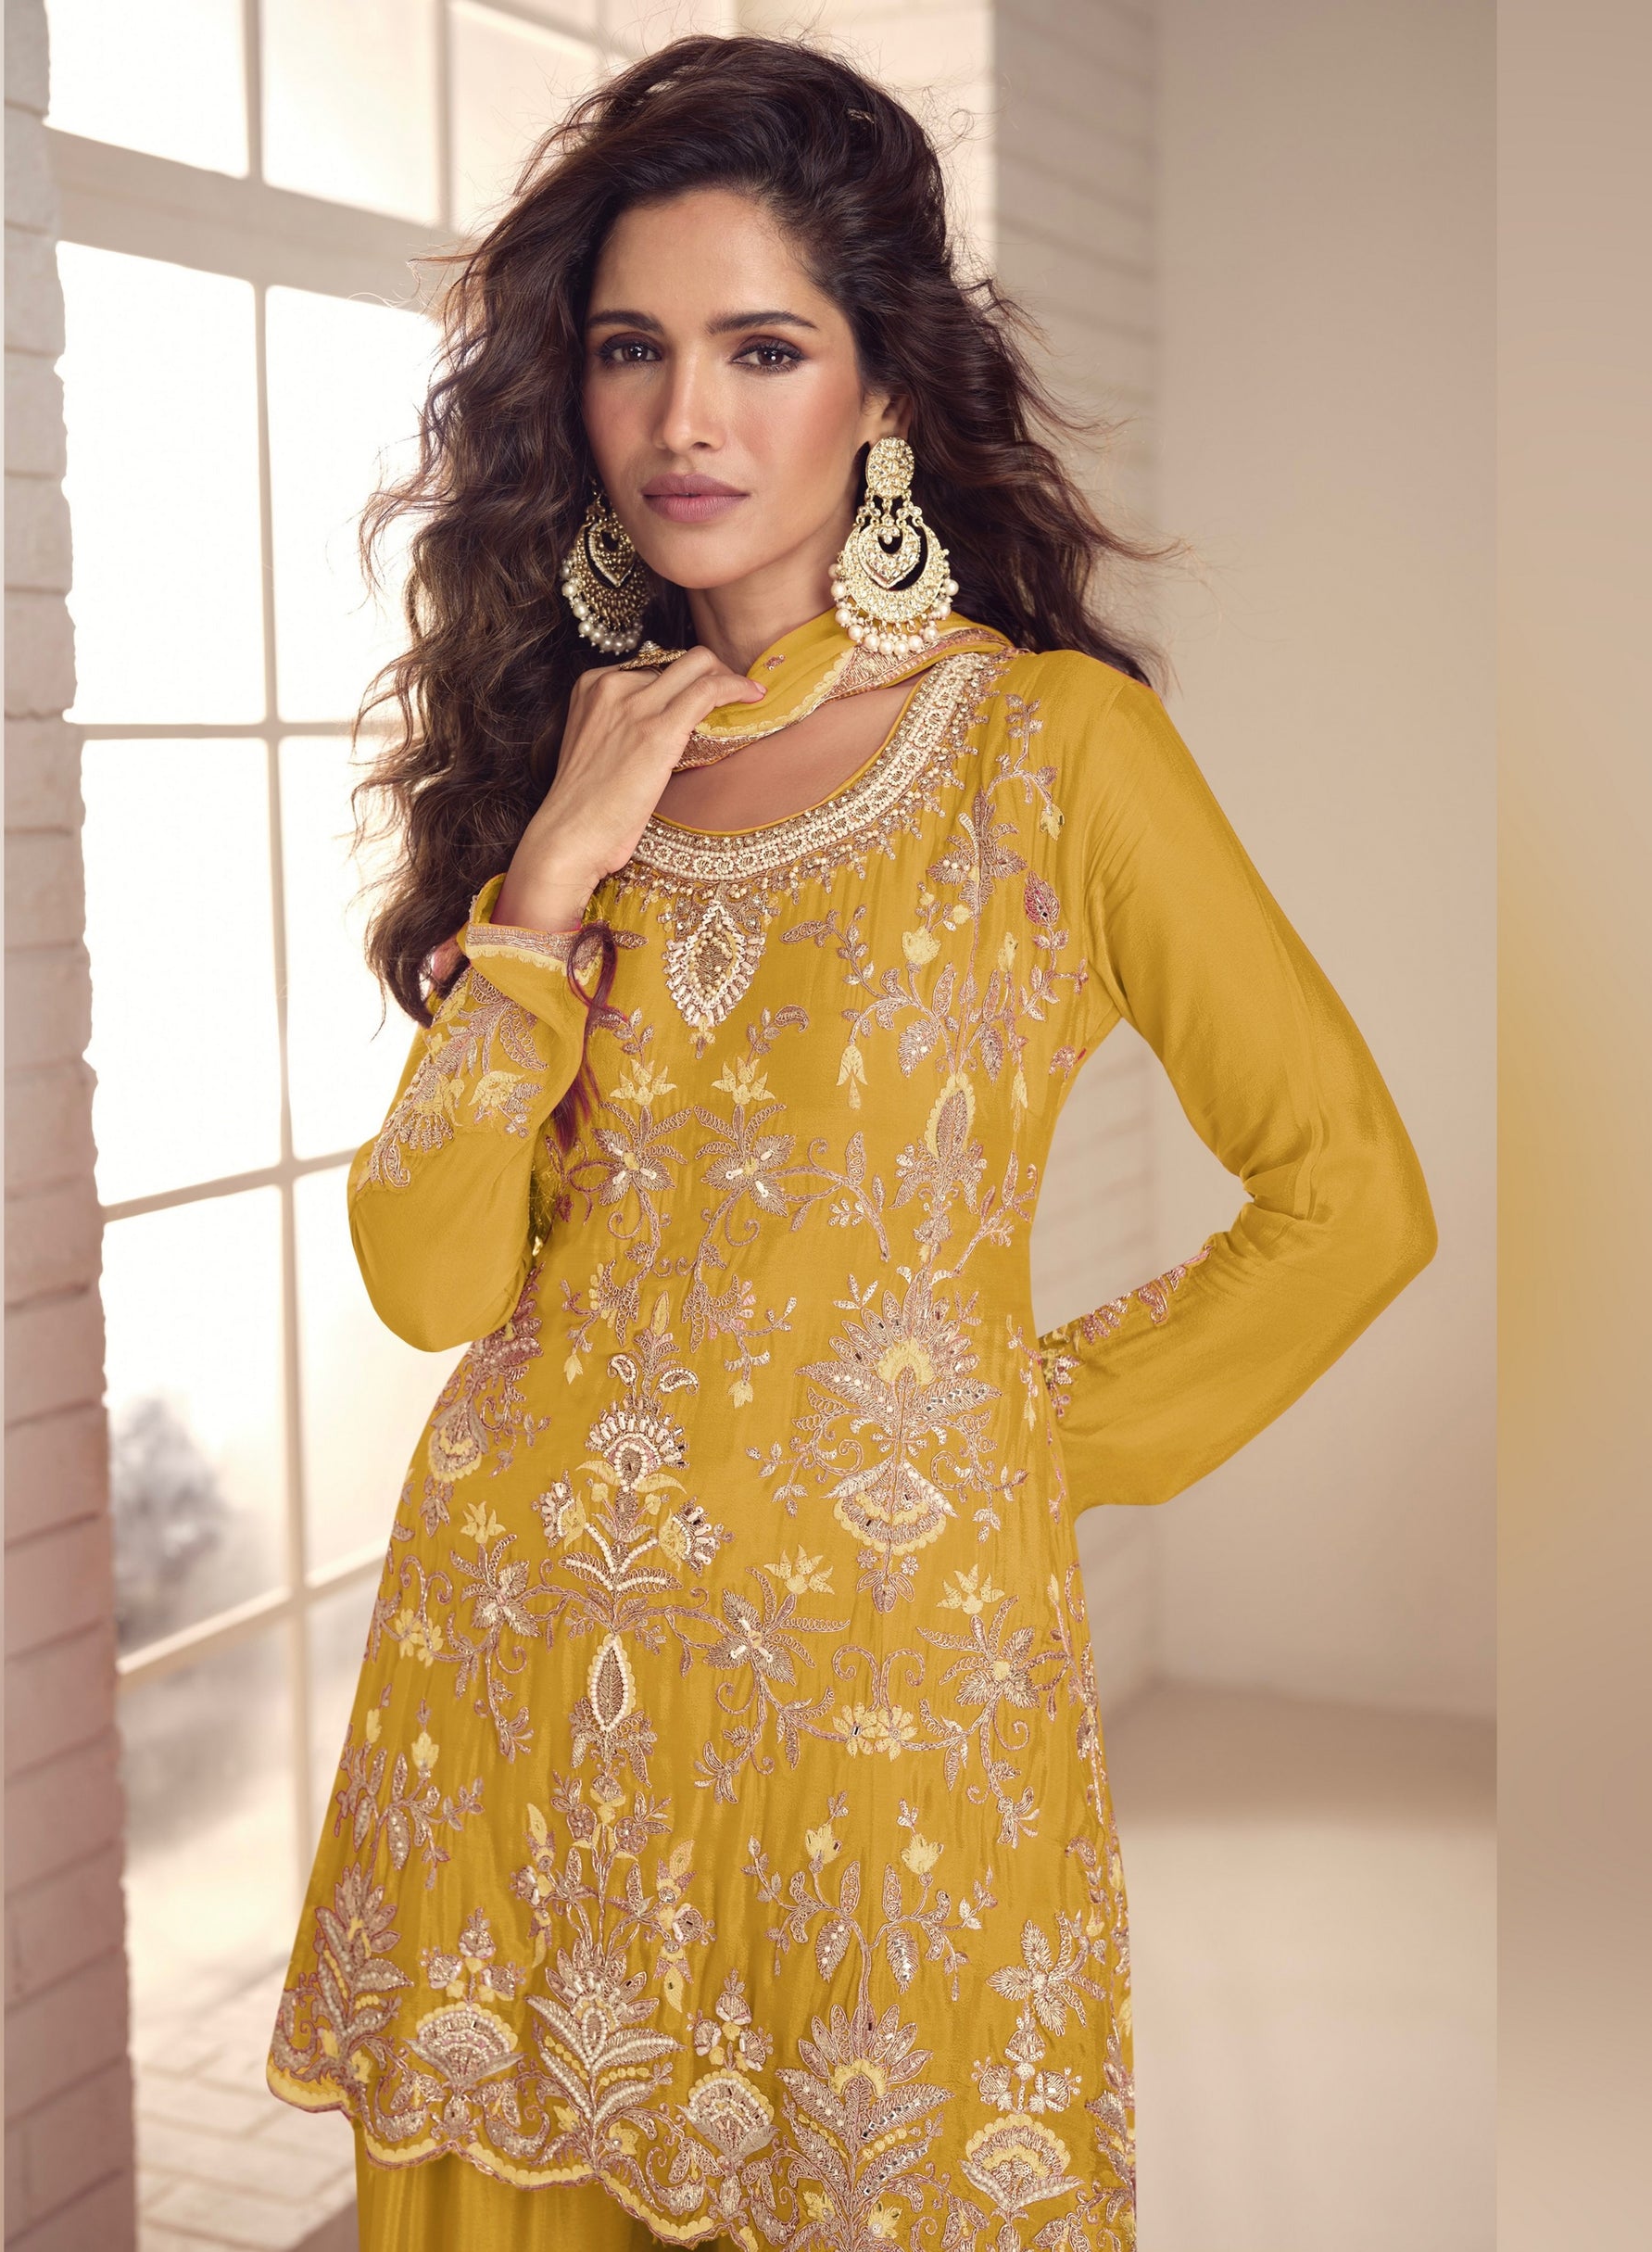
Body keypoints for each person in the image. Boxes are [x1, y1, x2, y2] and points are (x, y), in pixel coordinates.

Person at [264, 35, 1435, 2252]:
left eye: (761, 349)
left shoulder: (1043, 753)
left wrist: (1005, 1443)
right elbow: (429, 1284)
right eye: (630, 350)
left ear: (882, 390)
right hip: (512, 1688)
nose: (683, 420)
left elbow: (1348, 1195)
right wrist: (544, 889)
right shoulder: (572, 772)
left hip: (873, 1719)